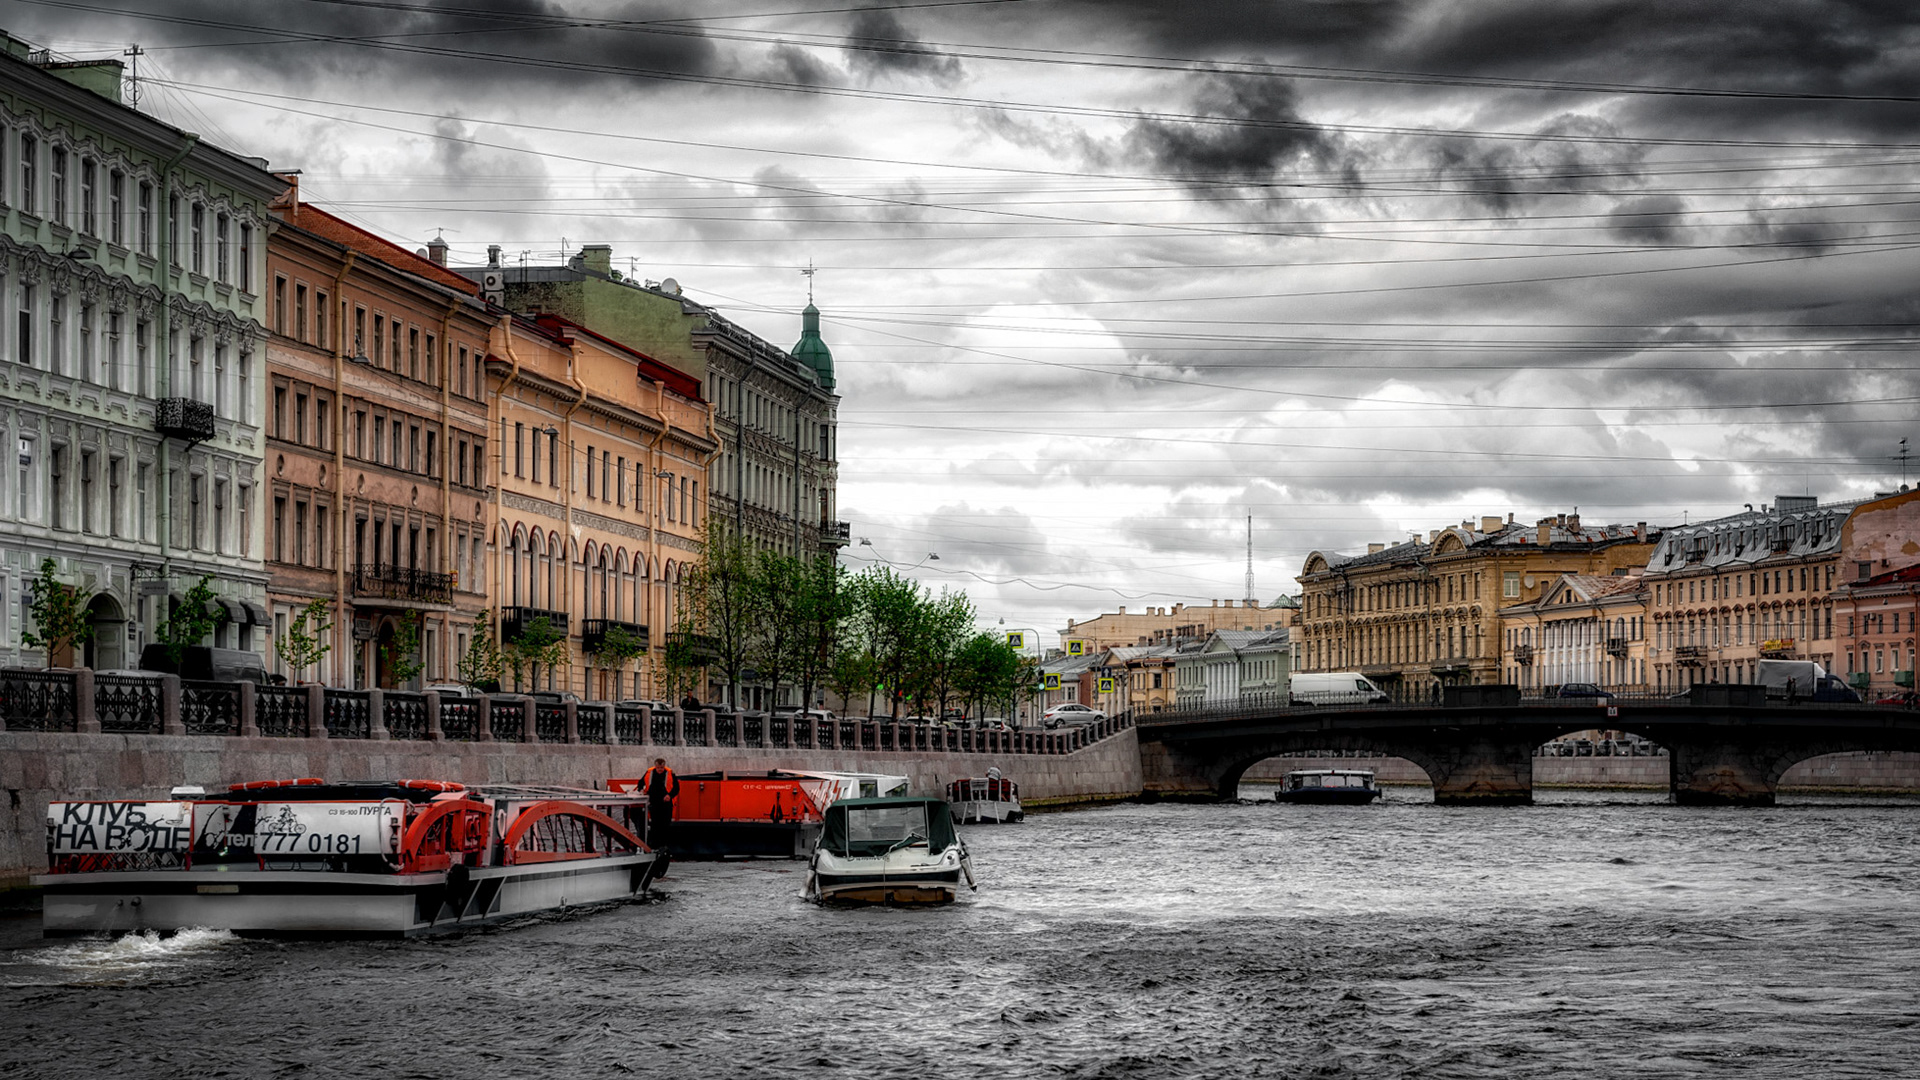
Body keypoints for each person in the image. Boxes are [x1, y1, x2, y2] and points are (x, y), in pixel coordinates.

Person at [640, 757, 679, 853]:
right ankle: (654, 846)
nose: (660, 770)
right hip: (654, 802)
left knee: (665, 825)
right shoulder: (649, 773)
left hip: (666, 803)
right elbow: (640, 783)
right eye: (658, 768)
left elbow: (676, 788)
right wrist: (642, 790)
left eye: (662, 768)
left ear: (664, 766)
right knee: (655, 825)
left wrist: (670, 796)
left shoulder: (670, 774)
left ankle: (664, 845)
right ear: (655, 766)